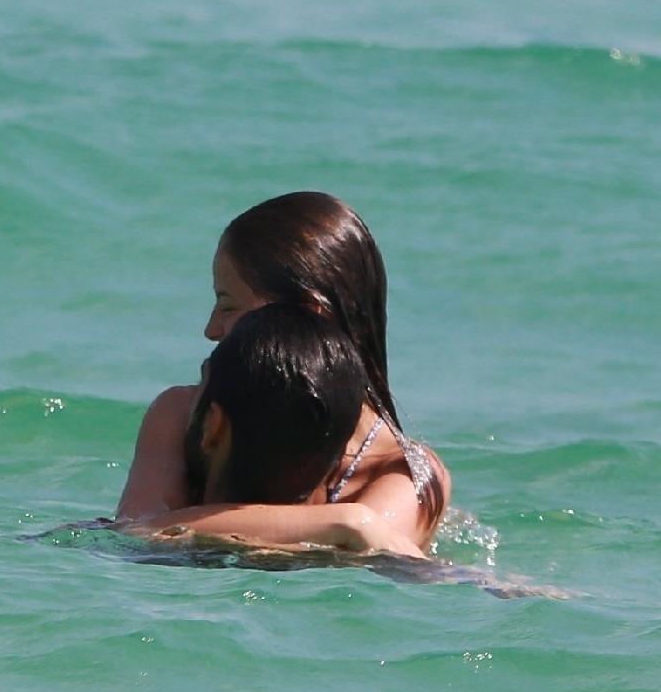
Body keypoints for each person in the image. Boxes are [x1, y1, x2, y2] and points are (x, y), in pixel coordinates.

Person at [118, 191, 451, 554]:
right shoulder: (182, 414)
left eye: (228, 305)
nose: (211, 329)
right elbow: (136, 533)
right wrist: (348, 522)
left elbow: (370, 559)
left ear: (308, 314)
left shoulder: (403, 473)